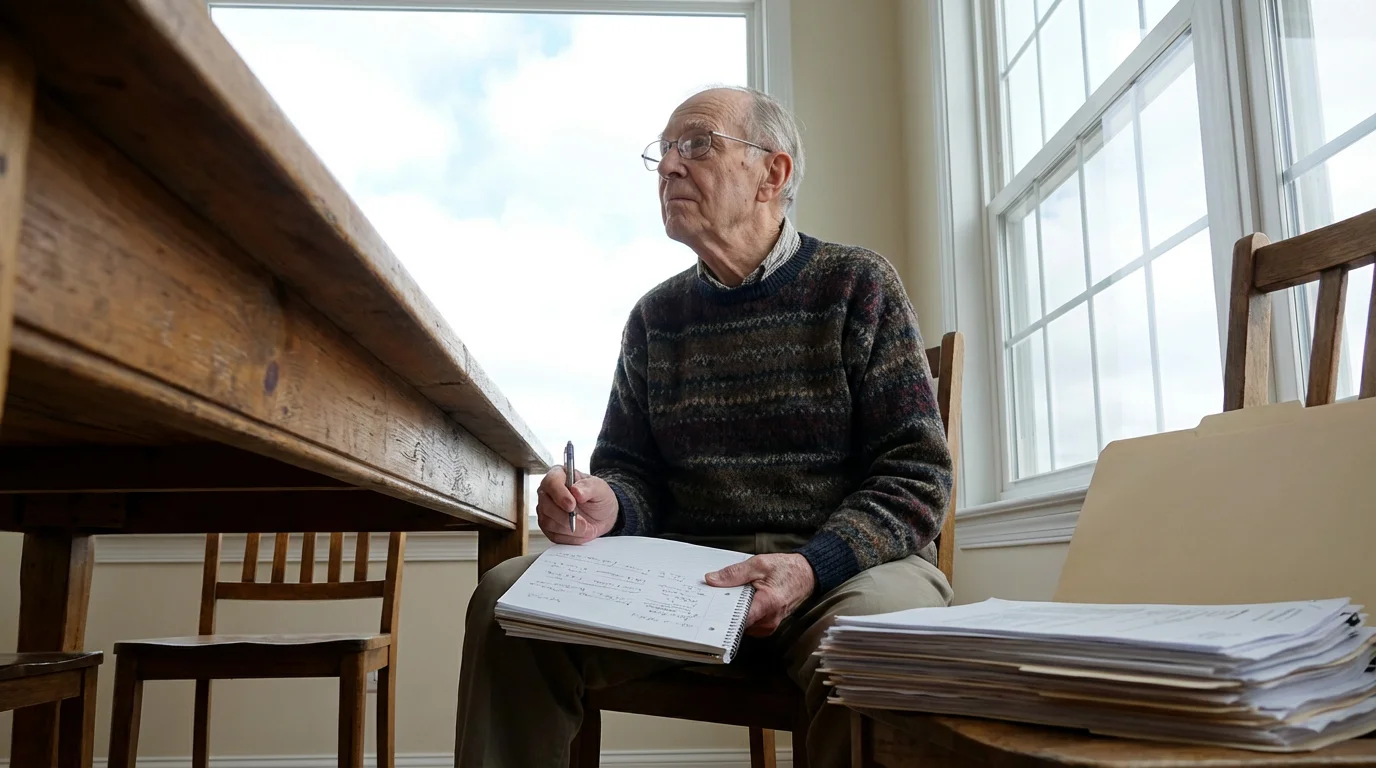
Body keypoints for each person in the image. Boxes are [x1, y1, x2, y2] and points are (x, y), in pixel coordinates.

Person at [455, 85, 954, 768]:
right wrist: (606, 505)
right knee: (504, 599)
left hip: (840, 572)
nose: (667, 167)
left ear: (772, 175)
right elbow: (632, 472)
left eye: (696, 145)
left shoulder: (857, 284)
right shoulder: (654, 318)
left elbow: (917, 475)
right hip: (688, 583)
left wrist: (810, 567)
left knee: (877, 634)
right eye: (661, 153)